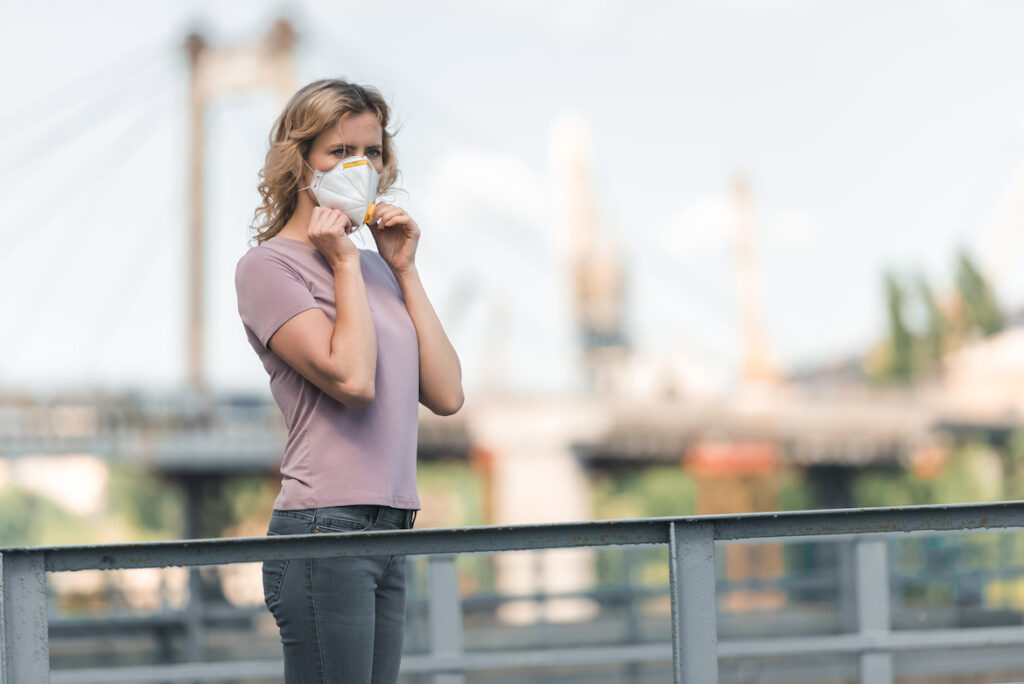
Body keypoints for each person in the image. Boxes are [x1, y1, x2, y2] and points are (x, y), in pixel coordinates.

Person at [234, 78, 464, 684]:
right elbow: (352, 378)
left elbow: (446, 394)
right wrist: (340, 262)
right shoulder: (269, 268)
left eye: (372, 151)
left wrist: (403, 270)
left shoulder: (374, 269)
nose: (359, 165)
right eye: (340, 151)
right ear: (299, 159)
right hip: (323, 528)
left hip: (392, 525)